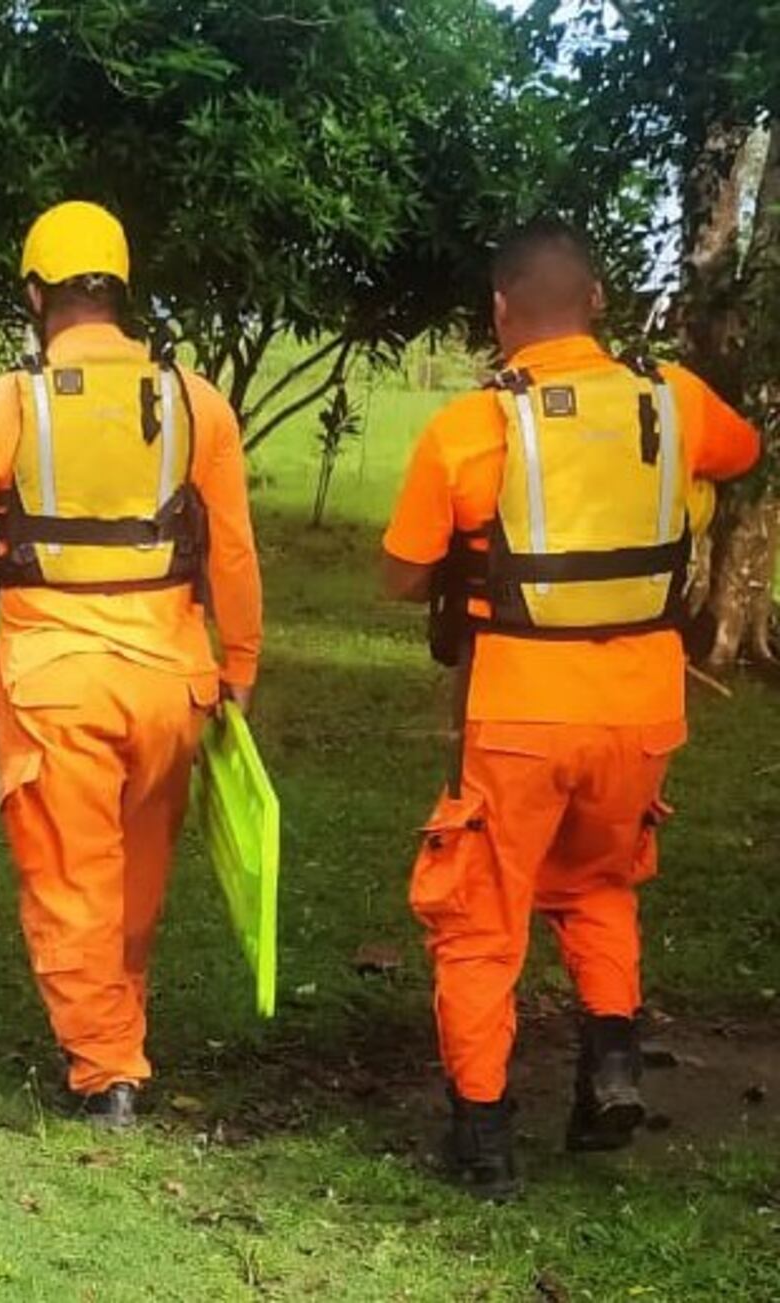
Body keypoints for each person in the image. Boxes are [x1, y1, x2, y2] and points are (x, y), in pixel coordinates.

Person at [383, 218, 760, 1199]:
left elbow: (400, 571)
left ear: (500, 313)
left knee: (482, 911)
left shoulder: (474, 425)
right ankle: (612, 1067)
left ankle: (482, 1137)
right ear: (597, 302)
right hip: (642, 708)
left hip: (518, 712)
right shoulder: (670, 398)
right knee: (597, 884)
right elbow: (743, 449)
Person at [0, 201, 263, 1128]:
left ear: (34, 294)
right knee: (134, 873)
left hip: (53, 681)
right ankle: (119, 1032)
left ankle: (106, 1072)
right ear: (122, 291)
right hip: (172, 679)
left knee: (71, 877)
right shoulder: (193, 400)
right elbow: (236, 552)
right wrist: (238, 665)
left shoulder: (8, 404)